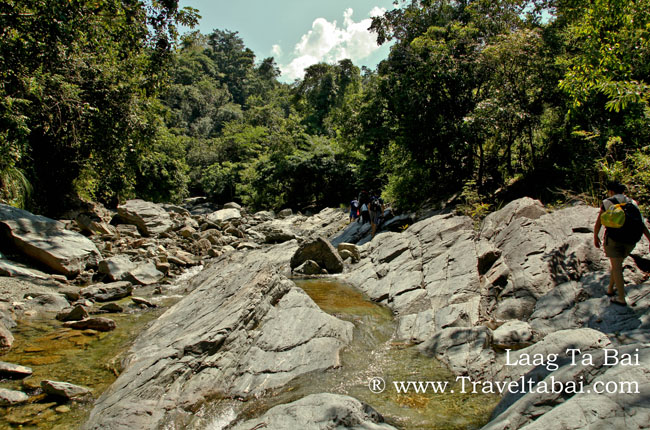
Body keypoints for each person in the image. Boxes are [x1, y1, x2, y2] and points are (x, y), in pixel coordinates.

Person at [593, 181, 650, 306]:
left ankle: (621, 298)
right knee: (617, 264)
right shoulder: (632, 203)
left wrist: (595, 236)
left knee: (617, 267)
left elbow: (599, 222)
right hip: (631, 240)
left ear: (611, 191)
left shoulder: (608, 202)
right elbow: (641, 224)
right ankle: (610, 289)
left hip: (614, 240)